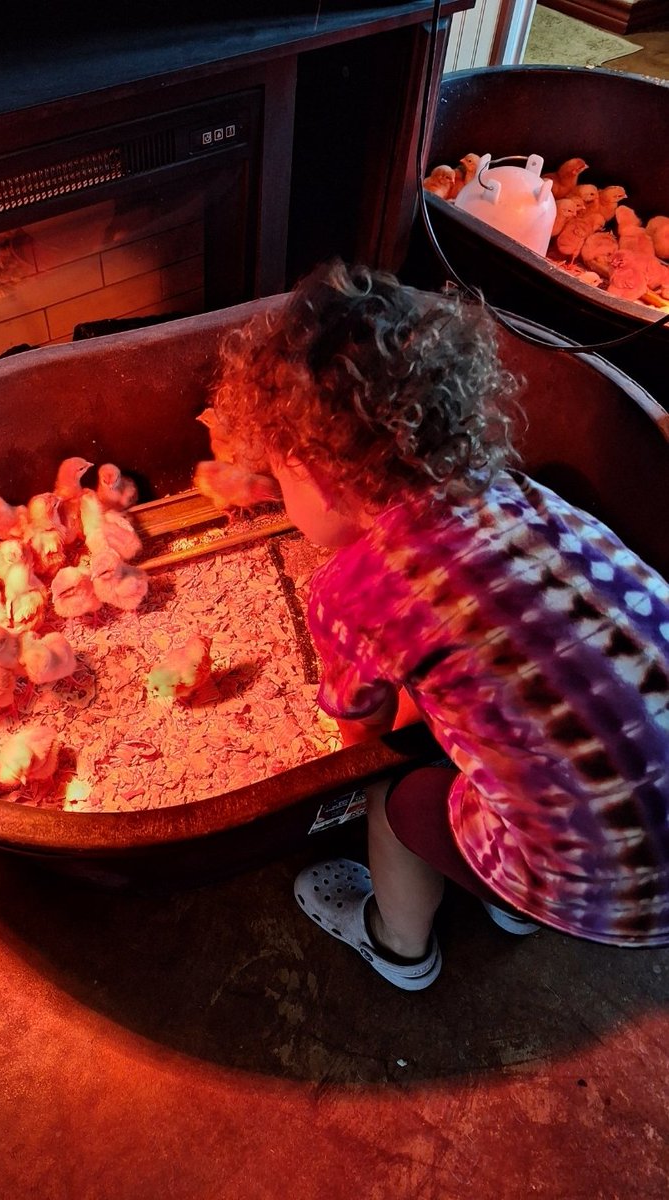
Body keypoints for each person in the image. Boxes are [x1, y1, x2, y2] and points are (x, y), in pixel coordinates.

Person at [208, 259, 669, 991]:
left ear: (318, 476)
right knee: (522, 712)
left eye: (279, 473)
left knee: (399, 798)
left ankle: (398, 946)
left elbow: (361, 741)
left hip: (616, 898)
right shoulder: (517, 493)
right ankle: (515, 898)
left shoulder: (353, 589)